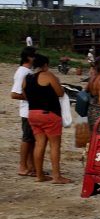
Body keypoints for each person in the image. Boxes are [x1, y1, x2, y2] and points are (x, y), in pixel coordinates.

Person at [24, 55, 70, 184]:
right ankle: (57, 176)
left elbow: (26, 96)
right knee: (55, 145)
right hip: (49, 114)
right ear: (45, 65)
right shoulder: (48, 75)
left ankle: (39, 175)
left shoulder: (27, 78)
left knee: (39, 144)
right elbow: (60, 93)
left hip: (32, 114)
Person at [11, 47, 37, 176]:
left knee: (31, 140)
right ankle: (22, 166)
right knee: (27, 139)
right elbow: (14, 94)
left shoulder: (26, 71)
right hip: (26, 111)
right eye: (34, 55)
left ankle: (31, 166)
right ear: (29, 57)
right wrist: (31, 97)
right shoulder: (23, 72)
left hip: (30, 111)